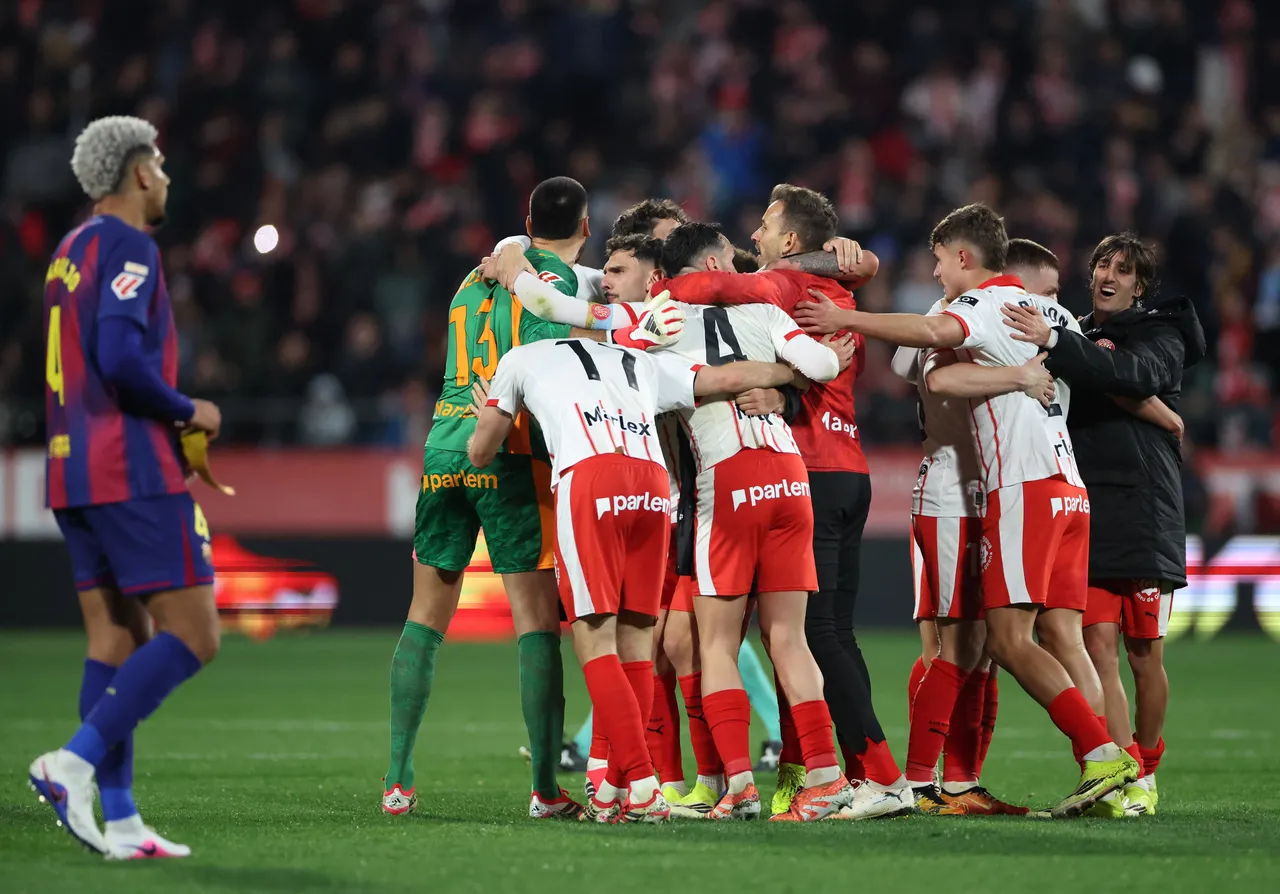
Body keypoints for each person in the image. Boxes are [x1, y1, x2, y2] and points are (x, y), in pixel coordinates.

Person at [795, 203, 1141, 817]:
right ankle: (1083, 772)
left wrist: (844, 316)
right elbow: (1093, 373)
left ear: (962, 257)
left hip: (1013, 486)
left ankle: (1092, 756)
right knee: (1008, 639)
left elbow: (929, 357)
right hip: (1067, 486)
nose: (932, 274)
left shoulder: (975, 307)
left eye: (937, 261)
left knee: (984, 640)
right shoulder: (1055, 316)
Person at [384, 176, 664, 820]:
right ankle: (545, 789)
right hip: (509, 449)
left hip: (444, 447)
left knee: (425, 615)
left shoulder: (469, 280)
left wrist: (510, 250)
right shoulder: (563, 284)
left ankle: (397, 779)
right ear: (588, 228)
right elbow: (588, 331)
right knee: (539, 626)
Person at [467, 327, 801, 823]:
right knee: (639, 646)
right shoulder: (640, 358)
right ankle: (615, 790)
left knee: (594, 642)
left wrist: (487, 421)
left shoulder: (522, 356)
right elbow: (729, 376)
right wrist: (794, 375)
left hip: (589, 478)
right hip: (650, 486)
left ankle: (642, 786)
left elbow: (481, 452)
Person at [654, 187, 911, 820]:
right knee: (804, 637)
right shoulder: (787, 302)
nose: (755, 239)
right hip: (812, 477)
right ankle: (814, 777)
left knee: (722, 643)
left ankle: (750, 782)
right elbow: (824, 362)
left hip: (752, 477)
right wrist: (860, 266)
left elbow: (667, 372)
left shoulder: (680, 313)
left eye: (765, 225)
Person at [31, 115, 222, 859]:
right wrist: (189, 409)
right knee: (195, 634)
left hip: (68, 467)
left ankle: (123, 822)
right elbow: (119, 355)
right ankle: (70, 763)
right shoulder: (128, 245)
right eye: (163, 165)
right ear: (139, 172)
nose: (168, 178)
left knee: (116, 637)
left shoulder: (68, 251)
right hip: (127, 465)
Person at [1002, 232, 1205, 816]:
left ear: (1140, 285)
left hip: (1144, 506)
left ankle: (1151, 763)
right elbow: (1103, 378)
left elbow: (1133, 374)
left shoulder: (1160, 332)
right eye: (1101, 265)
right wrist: (1150, 408)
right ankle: (1124, 773)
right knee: (1096, 645)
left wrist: (1071, 351)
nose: (1108, 275)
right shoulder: (1074, 330)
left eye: (1122, 269)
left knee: (1145, 653)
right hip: (1087, 502)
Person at [890, 240, 1065, 816]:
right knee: (949, 645)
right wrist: (953, 307)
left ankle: (964, 783)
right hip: (946, 492)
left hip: (989, 489)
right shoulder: (950, 328)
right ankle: (918, 782)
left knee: (986, 647)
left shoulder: (996, 328)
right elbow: (906, 363)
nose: (1031, 312)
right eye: (1036, 298)